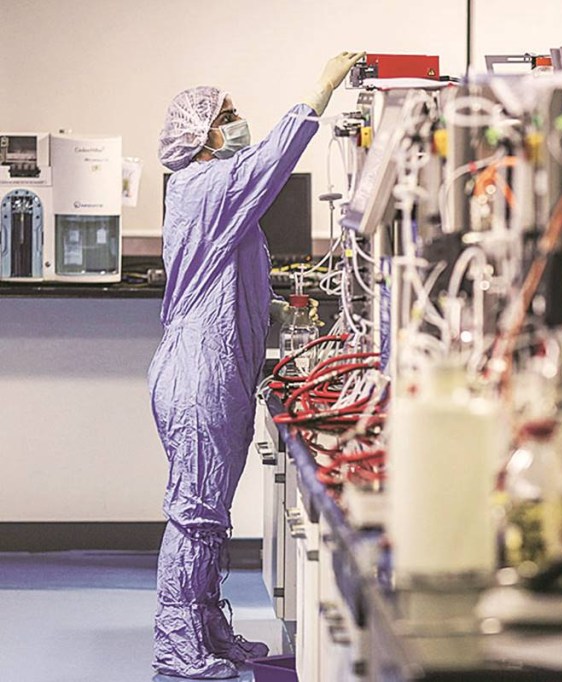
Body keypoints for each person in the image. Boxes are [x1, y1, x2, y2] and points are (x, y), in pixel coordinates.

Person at [150, 50, 364, 679]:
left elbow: (237, 285)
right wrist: (320, 91)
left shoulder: (213, 195)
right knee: (194, 512)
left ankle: (209, 629)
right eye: (230, 116)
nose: (240, 123)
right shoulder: (210, 185)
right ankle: (174, 642)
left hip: (215, 369)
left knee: (210, 512)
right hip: (198, 375)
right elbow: (272, 160)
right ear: (203, 134)